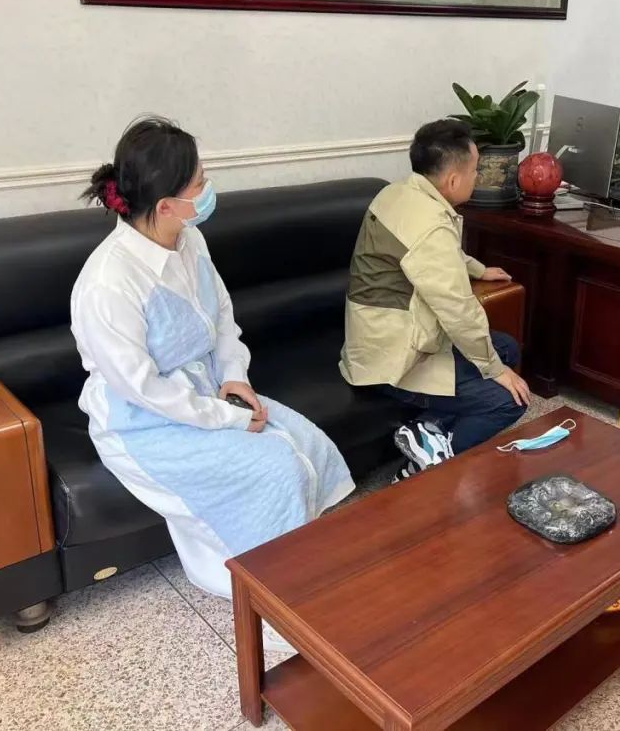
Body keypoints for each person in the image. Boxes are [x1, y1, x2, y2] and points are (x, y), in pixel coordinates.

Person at [71, 117, 354, 603]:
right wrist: (226, 418)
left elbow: (221, 316)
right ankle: (267, 588)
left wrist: (235, 377)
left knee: (305, 439)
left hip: (207, 391)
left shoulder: (190, 239)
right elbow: (141, 388)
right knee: (275, 466)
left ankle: (299, 559)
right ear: (165, 205)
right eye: (199, 183)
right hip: (142, 420)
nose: (208, 191)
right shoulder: (108, 283)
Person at [340, 119, 530, 481]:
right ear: (454, 180)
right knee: (509, 400)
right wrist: (495, 371)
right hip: (392, 361)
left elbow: (433, 253)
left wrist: (477, 268)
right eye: (475, 170)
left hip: (379, 338)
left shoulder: (397, 195)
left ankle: (428, 428)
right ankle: (425, 463)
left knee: (505, 347)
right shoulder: (430, 225)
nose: (477, 177)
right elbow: (459, 311)